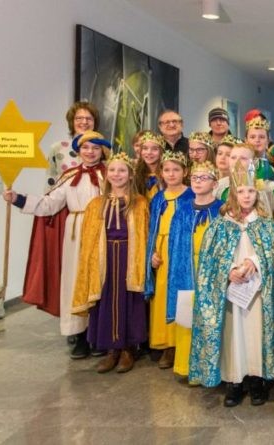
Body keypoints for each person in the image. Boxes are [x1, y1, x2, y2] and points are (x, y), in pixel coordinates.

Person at [189, 161, 274, 407]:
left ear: (258, 194)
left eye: (251, 191)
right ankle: (234, 382)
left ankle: (256, 379)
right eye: (241, 192)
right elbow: (209, 262)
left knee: (255, 334)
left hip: (257, 293)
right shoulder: (221, 226)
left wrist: (255, 262)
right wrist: (229, 271)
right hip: (231, 295)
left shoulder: (266, 225)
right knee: (233, 335)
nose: (246, 196)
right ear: (233, 194)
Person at [4, 131, 109, 358]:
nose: (90, 152)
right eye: (85, 147)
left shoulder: (110, 175)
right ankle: (79, 335)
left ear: (103, 151)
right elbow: (50, 204)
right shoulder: (69, 176)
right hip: (76, 232)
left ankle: (98, 334)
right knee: (74, 281)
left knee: (100, 280)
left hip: (101, 231)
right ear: (78, 151)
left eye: (95, 148)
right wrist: (18, 199)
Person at [71, 152, 148, 373]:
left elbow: (145, 233)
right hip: (104, 259)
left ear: (131, 175)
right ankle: (111, 350)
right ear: (107, 175)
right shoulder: (96, 204)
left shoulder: (140, 202)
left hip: (129, 255)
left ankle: (127, 349)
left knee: (128, 300)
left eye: (122, 170)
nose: (117, 174)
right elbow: (90, 237)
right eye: (112, 170)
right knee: (106, 301)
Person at [173, 161, 223, 380]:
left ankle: (211, 368)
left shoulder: (221, 209)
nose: (198, 182)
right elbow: (175, 243)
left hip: (211, 271)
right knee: (188, 315)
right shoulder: (183, 210)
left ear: (214, 183)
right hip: (187, 269)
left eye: (204, 178)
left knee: (211, 318)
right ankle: (187, 366)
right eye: (195, 178)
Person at [145, 150, 193, 369]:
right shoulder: (158, 198)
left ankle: (179, 344)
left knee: (180, 293)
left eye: (176, 170)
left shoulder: (191, 196)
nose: (171, 174)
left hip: (181, 250)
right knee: (162, 294)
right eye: (167, 170)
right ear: (161, 173)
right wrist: (152, 252)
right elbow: (152, 228)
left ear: (185, 172)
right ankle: (165, 343)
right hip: (162, 250)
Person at [45, 102, 100, 191]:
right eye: (79, 118)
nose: (84, 122)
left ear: (95, 123)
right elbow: (50, 181)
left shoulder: (103, 149)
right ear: (72, 122)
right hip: (63, 203)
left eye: (89, 119)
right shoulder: (57, 148)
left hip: (95, 203)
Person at [133, 131, 164, 200]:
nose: (149, 152)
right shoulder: (135, 173)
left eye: (154, 149)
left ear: (161, 152)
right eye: (145, 148)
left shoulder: (167, 174)